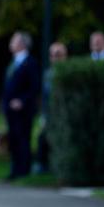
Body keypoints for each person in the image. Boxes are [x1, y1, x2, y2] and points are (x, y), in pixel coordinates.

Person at [1, 31, 41, 180]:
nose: (11, 43)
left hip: (23, 110)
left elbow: (34, 87)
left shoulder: (30, 63)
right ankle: (15, 169)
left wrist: (22, 101)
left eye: (14, 41)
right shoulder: (13, 63)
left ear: (22, 44)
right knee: (13, 139)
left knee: (23, 138)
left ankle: (24, 170)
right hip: (10, 109)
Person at [33, 41, 67, 174]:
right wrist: (44, 116)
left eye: (58, 55)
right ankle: (43, 166)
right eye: (52, 55)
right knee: (43, 138)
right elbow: (46, 99)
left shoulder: (69, 73)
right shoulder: (48, 75)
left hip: (64, 116)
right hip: (50, 115)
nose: (54, 58)